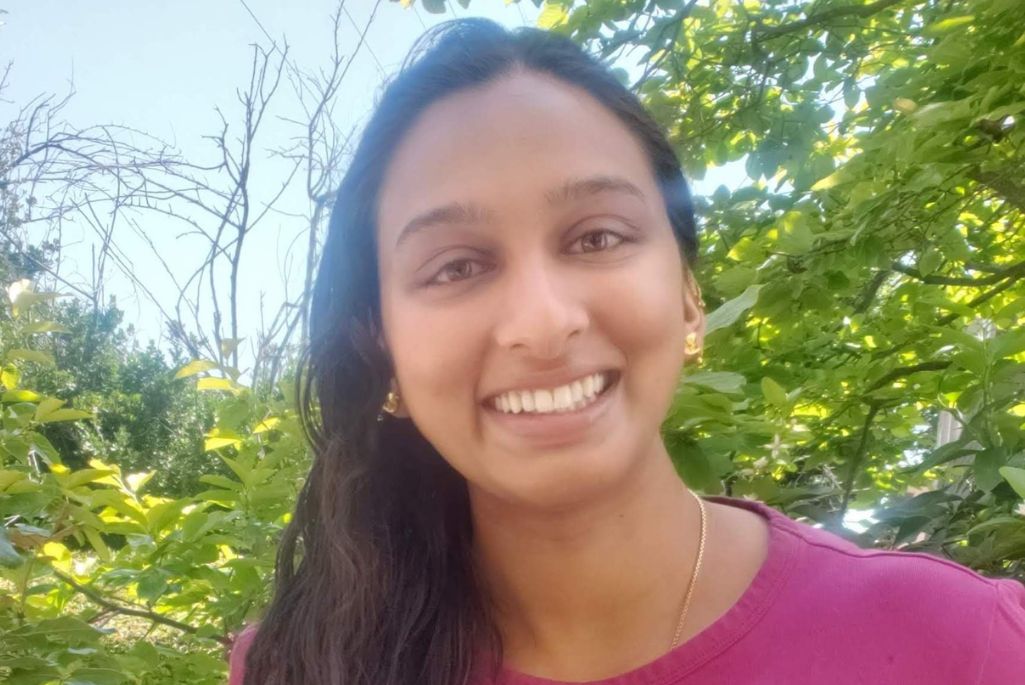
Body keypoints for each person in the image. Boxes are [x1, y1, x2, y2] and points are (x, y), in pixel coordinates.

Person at [230, 18, 1025, 685]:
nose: (542, 323)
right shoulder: (304, 665)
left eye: (596, 237)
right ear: (381, 344)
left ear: (687, 291)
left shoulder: (961, 645)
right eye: (457, 266)